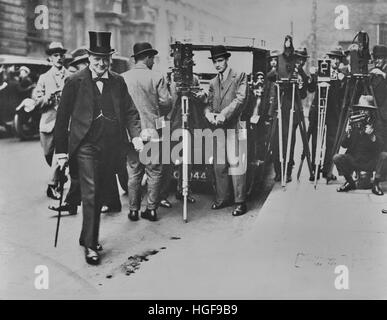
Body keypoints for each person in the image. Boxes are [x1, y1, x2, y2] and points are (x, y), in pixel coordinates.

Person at [55, 31, 142, 265]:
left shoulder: (117, 80)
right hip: (85, 146)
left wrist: (136, 136)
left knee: (102, 191)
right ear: (89, 57)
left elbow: (131, 111)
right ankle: (92, 245)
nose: (102, 64)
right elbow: (62, 118)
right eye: (97, 59)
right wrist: (61, 152)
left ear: (110, 59)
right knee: (91, 193)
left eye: (106, 59)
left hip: (110, 146)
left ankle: (86, 236)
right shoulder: (74, 81)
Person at [121, 42, 172, 222]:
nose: (153, 61)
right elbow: (167, 103)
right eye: (152, 58)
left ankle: (133, 210)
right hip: (152, 131)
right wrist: (157, 111)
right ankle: (151, 209)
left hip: (131, 133)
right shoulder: (157, 77)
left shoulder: (123, 77)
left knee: (133, 172)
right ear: (148, 57)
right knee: (154, 172)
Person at [205, 45, 248, 216]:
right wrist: (208, 114)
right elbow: (207, 104)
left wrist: (223, 114)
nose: (217, 64)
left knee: (236, 164)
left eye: (220, 60)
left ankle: (240, 202)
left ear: (227, 60)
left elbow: (241, 99)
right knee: (219, 165)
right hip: (218, 128)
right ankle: (223, 198)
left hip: (234, 126)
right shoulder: (213, 82)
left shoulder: (239, 76)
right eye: (215, 61)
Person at [159, 70, 207, 208]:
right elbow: (164, 101)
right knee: (168, 160)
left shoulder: (194, 79)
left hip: (189, 123)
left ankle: (184, 190)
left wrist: (198, 95)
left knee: (187, 160)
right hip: (172, 122)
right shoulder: (167, 78)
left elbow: (201, 96)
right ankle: (162, 195)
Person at [33, 42, 70, 200]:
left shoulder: (71, 77)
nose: (59, 58)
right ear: (50, 58)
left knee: (59, 154)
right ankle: (60, 176)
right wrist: (48, 96)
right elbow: (36, 102)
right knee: (49, 155)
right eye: (56, 55)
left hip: (66, 123)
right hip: (48, 123)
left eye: (61, 55)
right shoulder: (44, 78)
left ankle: (52, 184)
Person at [308, 47, 346, 182]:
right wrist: (313, 75)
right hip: (319, 109)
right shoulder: (322, 70)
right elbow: (311, 88)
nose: (334, 61)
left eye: (337, 59)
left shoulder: (341, 74)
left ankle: (327, 171)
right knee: (316, 140)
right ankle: (314, 168)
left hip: (333, 113)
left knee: (331, 142)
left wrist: (342, 79)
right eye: (332, 58)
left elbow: (343, 94)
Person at [333, 96, 380, 192]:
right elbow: (344, 145)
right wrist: (348, 133)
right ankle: (350, 183)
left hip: (370, 160)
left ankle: (376, 184)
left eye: (366, 110)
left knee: (384, 156)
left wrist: (372, 137)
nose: (362, 112)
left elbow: (382, 146)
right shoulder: (354, 122)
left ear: (371, 111)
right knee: (337, 158)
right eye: (361, 109)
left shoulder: (377, 124)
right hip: (355, 160)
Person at [370, 45, 387, 196]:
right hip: (378, 116)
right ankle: (377, 178)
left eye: (380, 58)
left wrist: (382, 74)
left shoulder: (383, 71)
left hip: (385, 115)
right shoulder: (374, 72)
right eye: (376, 58)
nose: (377, 61)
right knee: (379, 145)